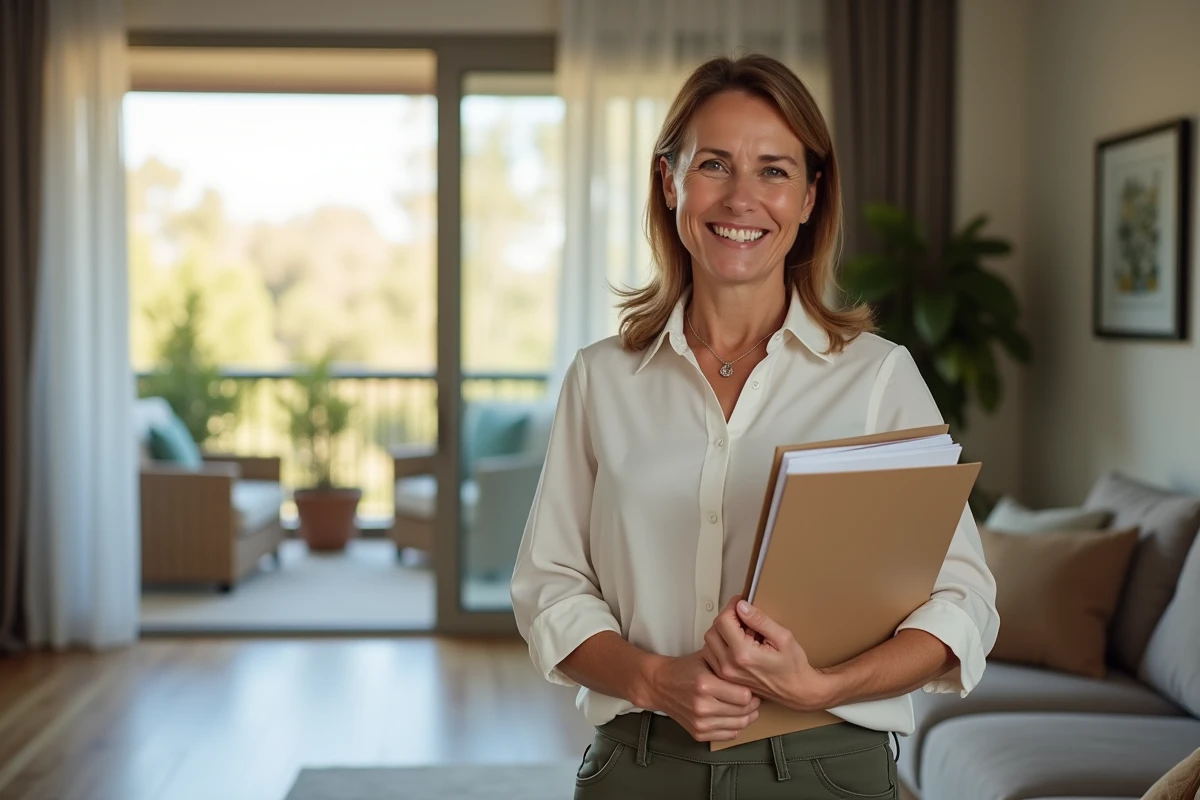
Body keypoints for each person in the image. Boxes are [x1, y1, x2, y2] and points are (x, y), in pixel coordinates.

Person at [510, 53, 999, 800]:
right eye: (715, 164)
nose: (742, 198)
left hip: (828, 771)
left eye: (774, 170)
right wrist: (654, 678)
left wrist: (821, 684)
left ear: (810, 196)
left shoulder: (877, 377)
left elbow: (961, 604)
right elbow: (550, 587)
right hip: (638, 769)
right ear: (669, 180)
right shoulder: (601, 378)